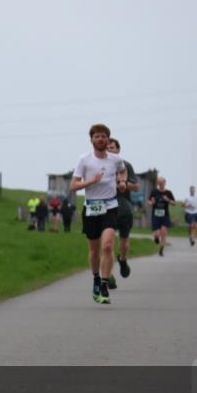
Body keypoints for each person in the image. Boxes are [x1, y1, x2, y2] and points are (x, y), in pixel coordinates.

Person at [70, 124, 127, 305]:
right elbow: (73, 186)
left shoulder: (115, 159)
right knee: (94, 250)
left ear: (108, 139)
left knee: (108, 246)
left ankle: (104, 284)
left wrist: (122, 181)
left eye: (103, 136)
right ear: (91, 139)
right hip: (91, 207)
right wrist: (90, 181)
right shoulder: (84, 160)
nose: (100, 139)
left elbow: (123, 170)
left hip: (110, 206)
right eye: (97, 136)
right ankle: (95, 278)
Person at [106, 138, 139, 287]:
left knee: (123, 244)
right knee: (107, 244)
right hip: (106, 210)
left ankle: (123, 259)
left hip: (124, 209)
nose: (109, 150)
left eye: (112, 147)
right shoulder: (100, 167)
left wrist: (123, 183)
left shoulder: (126, 166)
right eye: (107, 148)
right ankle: (109, 275)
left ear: (118, 150)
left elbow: (136, 186)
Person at [149, 177, 176, 257]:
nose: (161, 184)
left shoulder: (168, 193)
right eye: (159, 183)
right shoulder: (154, 192)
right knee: (157, 234)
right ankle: (156, 238)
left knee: (163, 233)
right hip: (155, 216)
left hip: (165, 216)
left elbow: (174, 204)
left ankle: (161, 249)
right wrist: (151, 202)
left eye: (162, 183)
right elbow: (149, 201)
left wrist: (168, 200)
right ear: (157, 183)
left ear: (165, 183)